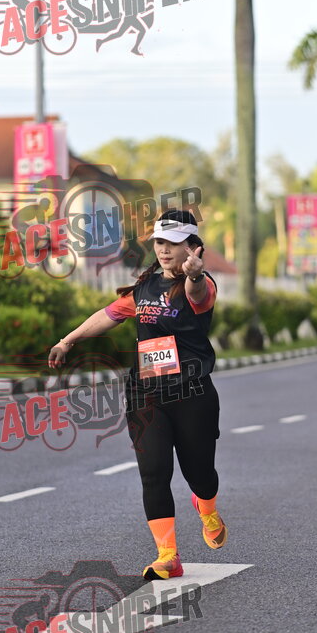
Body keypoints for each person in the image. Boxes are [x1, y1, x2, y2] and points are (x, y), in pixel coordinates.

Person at [48, 209, 226, 580]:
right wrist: (68, 341)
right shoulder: (145, 287)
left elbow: (197, 294)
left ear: (192, 247)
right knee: (153, 471)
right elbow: (109, 314)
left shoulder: (202, 284)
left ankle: (207, 508)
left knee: (200, 474)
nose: (164, 250)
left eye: (173, 243)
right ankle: (168, 556)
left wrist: (194, 275)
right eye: (159, 242)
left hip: (192, 394)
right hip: (147, 394)